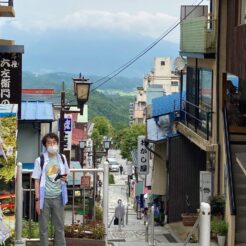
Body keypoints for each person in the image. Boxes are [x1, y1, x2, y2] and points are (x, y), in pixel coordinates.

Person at [32, 133, 70, 246]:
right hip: (45, 199)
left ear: (57, 144)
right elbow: (36, 180)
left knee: (59, 227)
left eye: (54, 142)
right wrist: (38, 200)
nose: (52, 145)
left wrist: (65, 177)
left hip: (58, 197)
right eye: (49, 143)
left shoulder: (62, 158)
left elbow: (67, 172)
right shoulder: (40, 160)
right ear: (45, 145)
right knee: (43, 228)